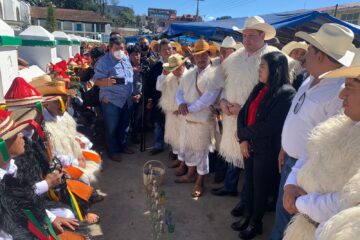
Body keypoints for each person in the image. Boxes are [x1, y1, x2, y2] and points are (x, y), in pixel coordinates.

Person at [269, 23, 356, 240]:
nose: (305, 53)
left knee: (294, 224)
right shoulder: (309, 79)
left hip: (310, 175)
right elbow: (298, 118)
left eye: (310, 49)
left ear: (320, 56)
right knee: (282, 219)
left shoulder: (337, 91)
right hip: (294, 165)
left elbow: (329, 144)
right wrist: (284, 147)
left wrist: (299, 196)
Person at [283, 62, 360, 239]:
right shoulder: (339, 123)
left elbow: (348, 203)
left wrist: (299, 203)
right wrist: (291, 184)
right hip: (304, 224)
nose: (341, 95)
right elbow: (309, 151)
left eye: (349, 87)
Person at [214, 16, 278, 201]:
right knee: (233, 153)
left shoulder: (273, 58)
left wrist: (244, 109)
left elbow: (273, 96)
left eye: (251, 35)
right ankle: (230, 186)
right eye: (244, 35)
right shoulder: (234, 58)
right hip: (230, 116)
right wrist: (224, 101)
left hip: (255, 121)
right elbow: (226, 83)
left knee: (250, 161)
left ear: (263, 36)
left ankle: (246, 202)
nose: (247, 40)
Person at [234, 52, 295, 239]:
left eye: (263, 66)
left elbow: (270, 126)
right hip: (250, 145)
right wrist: (243, 139)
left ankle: (255, 223)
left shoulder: (285, 93)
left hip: (265, 149)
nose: (259, 69)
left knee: (260, 188)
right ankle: (247, 216)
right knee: (250, 184)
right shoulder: (260, 87)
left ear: (275, 70)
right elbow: (243, 113)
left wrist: (243, 134)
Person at [175, 39, 223, 197]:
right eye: (198, 55)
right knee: (188, 148)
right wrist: (181, 103)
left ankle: (199, 182)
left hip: (202, 121)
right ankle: (190, 175)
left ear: (209, 55)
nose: (201, 58)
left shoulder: (215, 75)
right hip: (187, 118)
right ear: (193, 58)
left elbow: (208, 99)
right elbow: (179, 91)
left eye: (204, 55)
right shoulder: (189, 73)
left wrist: (187, 108)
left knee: (201, 152)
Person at [93, 36, 134, 162]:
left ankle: (122, 146)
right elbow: (96, 81)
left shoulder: (126, 59)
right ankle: (113, 151)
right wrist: (111, 82)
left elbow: (128, 75)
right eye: (117, 49)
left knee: (124, 125)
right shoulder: (103, 62)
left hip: (126, 100)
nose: (120, 51)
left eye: (122, 48)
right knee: (111, 128)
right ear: (110, 48)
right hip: (111, 101)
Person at [159, 54, 188, 175]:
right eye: (173, 69)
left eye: (177, 68)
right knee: (175, 138)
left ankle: (184, 164)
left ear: (183, 65)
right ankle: (179, 159)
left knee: (184, 140)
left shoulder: (189, 77)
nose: (175, 71)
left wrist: (180, 109)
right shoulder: (169, 77)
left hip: (184, 115)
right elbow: (161, 89)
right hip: (172, 113)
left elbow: (191, 97)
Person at [145, 39, 173, 156]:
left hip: (174, 101)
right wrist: (150, 99)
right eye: (164, 49)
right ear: (159, 52)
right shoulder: (156, 67)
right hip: (159, 100)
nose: (167, 51)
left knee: (173, 126)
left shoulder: (179, 64)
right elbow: (150, 85)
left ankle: (174, 150)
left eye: (169, 49)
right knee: (158, 124)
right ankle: (158, 145)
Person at [127, 45, 144, 144]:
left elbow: (146, 83)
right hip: (129, 98)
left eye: (137, 54)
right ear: (129, 56)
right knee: (128, 119)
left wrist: (141, 94)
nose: (136, 57)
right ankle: (127, 138)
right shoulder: (126, 67)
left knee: (138, 118)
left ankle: (135, 136)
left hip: (141, 97)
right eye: (133, 55)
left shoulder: (144, 66)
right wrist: (131, 96)